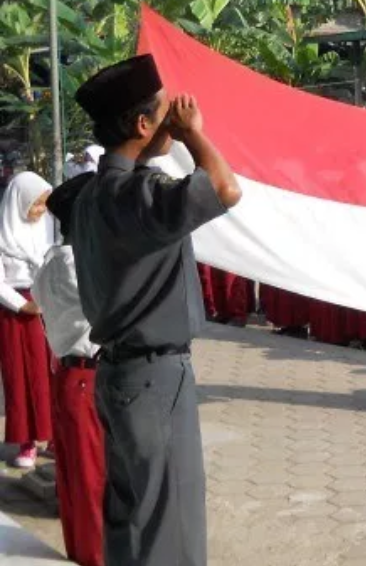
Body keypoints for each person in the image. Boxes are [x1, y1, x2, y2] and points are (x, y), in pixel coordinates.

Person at [71, 54, 242, 565]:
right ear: (143, 124)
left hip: (119, 376)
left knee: (131, 525)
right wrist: (191, 135)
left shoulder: (87, 194)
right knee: (173, 534)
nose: (174, 115)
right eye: (164, 111)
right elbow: (226, 188)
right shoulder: (138, 194)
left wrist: (165, 137)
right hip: (156, 379)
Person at [32, 177, 104, 566]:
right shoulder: (77, 266)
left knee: (77, 478)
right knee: (91, 479)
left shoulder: (53, 261)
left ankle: (83, 552)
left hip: (69, 376)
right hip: (87, 378)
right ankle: (96, 556)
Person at [0, 172, 54, 470]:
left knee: (52, 374)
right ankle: (27, 440)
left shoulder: (44, 230)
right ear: (19, 202)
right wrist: (24, 306)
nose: (40, 211)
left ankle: (54, 436)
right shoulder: (2, 235)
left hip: (49, 308)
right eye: (36, 204)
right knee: (22, 377)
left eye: (44, 204)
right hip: (17, 315)